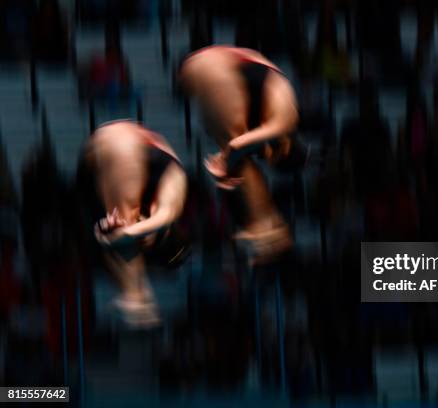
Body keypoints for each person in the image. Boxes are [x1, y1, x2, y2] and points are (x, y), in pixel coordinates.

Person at [179, 45, 301, 263]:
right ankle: (266, 225)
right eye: (270, 155)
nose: (265, 156)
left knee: (239, 155)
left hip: (223, 68)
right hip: (214, 69)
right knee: (238, 156)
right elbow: (236, 146)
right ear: (285, 147)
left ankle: (265, 224)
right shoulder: (285, 121)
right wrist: (224, 162)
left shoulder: (277, 112)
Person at [78, 120, 188, 327]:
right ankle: (136, 296)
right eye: (146, 238)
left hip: (99, 161)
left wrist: (121, 233)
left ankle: (135, 296)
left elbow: (112, 238)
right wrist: (129, 233)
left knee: (113, 234)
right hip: (127, 144)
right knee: (121, 232)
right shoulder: (173, 189)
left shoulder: (123, 209)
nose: (140, 235)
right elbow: (164, 216)